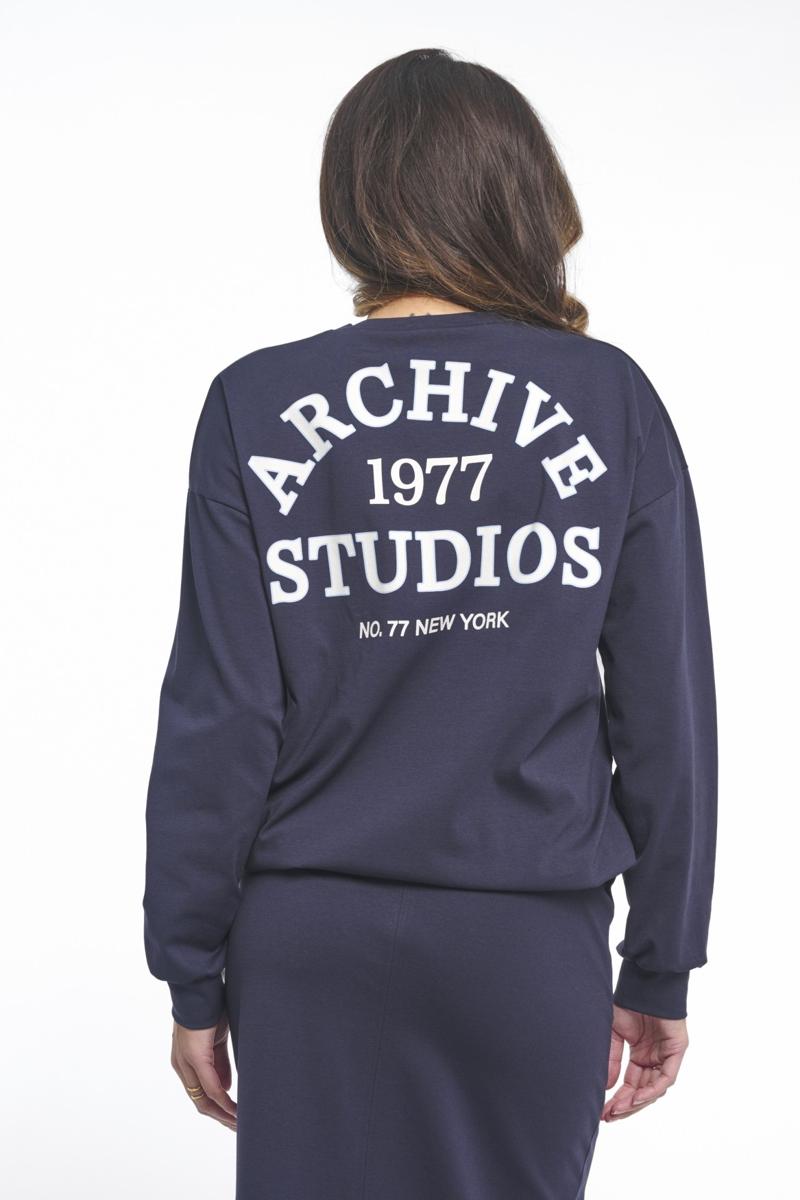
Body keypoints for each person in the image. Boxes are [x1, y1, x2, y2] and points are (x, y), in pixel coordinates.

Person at [142, 46, 718, 1200]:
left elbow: (223, 714)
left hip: (311, 940)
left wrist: (191, 971)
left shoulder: (255, 404)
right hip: (524, 944)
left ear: (352, 201)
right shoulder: (605, 397)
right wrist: (658, 962)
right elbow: (664, 709)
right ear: (520, 194)